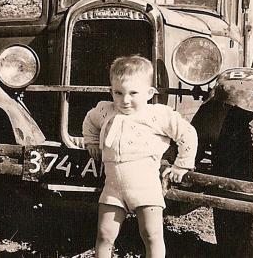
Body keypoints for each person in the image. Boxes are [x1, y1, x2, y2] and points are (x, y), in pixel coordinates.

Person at [82, 55, 197, 258]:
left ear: (149, 93)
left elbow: (187, 133)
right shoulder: (105, 111)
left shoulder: (157, 115)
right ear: (111, 91)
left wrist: (182, 165)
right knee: (104, 234)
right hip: (113, 189)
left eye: (133, 93)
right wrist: (92, 142)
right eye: (118, 93)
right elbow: (89, 121)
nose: (125, 100)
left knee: (151, 235)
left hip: (146, 187)